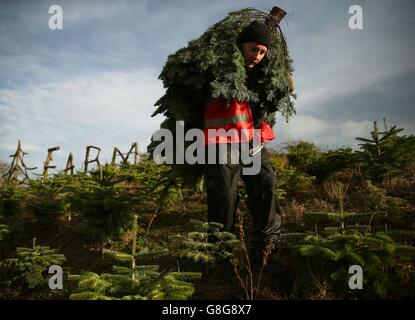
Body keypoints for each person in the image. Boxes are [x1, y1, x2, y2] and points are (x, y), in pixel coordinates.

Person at [203, 21, 283, 264]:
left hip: (253, 140)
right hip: (220, 140)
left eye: (262, 52)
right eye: (252, 49)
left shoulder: (262, 76)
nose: (257, 56)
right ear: (239, 46)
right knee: (225, 195)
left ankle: (268, 248)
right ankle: (220, 255)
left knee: (266, 186)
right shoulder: (218, 68)